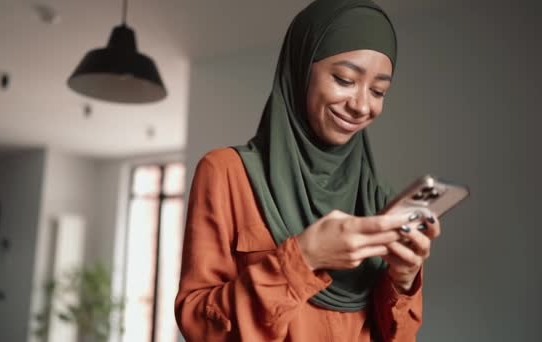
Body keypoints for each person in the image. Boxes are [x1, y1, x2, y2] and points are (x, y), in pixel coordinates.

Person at [175, 0, 441, 341]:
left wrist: (404, 279)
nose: (362, 105)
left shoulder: (379, 201)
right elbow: (200, 327)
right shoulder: (228, 173)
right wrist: (304, 258)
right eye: (345, 79)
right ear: (301, 70)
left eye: (378, 91)